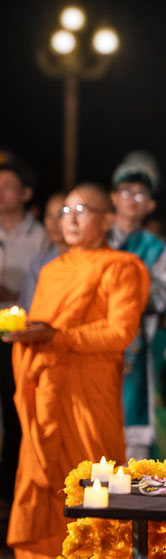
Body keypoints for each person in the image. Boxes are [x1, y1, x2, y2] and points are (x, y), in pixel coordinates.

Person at [4, 184, 148, 559]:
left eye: (82, 209)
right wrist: (27, 334)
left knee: (90, 470)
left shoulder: (120, 266)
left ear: (107, 220)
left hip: (90, 387)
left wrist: (60, 337)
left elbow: (121, 332)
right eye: (65, 211)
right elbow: (44, 325)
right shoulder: (52, 271)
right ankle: (43, 557)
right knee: (45, 467)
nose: (71, 218)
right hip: (50, 386)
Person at [107, 152, 166, 459]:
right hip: (95, 341)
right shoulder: (97, 237)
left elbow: (163, 296)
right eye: (126, 192)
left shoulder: (159, 248)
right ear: (113, 198)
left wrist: (121, 297)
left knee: (133, 428)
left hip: (137, 343)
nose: (132, 199)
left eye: (140, 194)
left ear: (150, 204)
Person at [0, 160, 49, 507]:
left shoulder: (41, 236)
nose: (1, 193)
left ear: (26, 193)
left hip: (18, 338)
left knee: (16, 415)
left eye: (8, 186)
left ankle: (11, 494)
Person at [20, 192, 66, 313]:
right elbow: (28, 309)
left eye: (60, 215)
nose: (54, 223)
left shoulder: (91, 260)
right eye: (49, 216)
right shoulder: (39, 263)